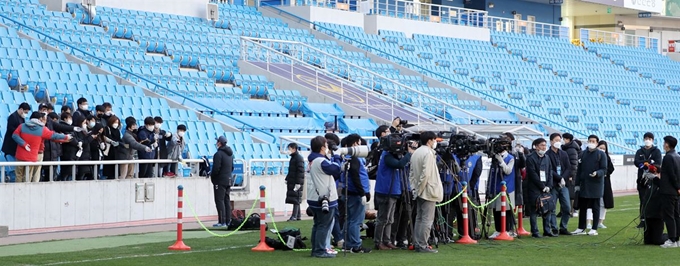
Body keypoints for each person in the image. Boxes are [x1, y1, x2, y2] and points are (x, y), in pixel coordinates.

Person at [307, 136, 342, 258]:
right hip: (324, 198)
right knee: (324, 225)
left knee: (318, 224)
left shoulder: (313, 160)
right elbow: (336, 169)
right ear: (322, 147)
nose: (328, 148)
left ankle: (316, 248)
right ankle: (319, 250)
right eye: (326, 146)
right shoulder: (320, 161)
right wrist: (337, 156)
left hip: (314, 197)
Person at [374, 138, 413, 250]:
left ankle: (387, 240)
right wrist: (408, 154)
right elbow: (400, 164)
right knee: (383, 218)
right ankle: (379, 241)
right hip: (386, 191)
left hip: (393, 190)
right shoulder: (387, 156)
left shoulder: (390, 155)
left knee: (390, 218)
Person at [12, 112, 71, 182]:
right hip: (32, 156)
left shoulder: (22, 126)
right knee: (28, 176)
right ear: (39, 119)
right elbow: (54, 135)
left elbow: (14, 135)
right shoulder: (42, 129)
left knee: (18, 175)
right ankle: (26, 191)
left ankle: (17, 191)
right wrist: (65, 136)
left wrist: (23, 144)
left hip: (20, 155)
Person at [338, 134, 372, 253]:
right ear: (354, 144)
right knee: (356, 220)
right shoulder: (353, 158)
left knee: (350, 219)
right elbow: (356, 177)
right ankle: (356, 245)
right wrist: (362, 193)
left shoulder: (347, 158)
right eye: (358, 143)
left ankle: (348, 244)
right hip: (355, 193)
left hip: (349, 192)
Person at [409, 131, 442, 253]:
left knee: (420, 218)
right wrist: (420, 189)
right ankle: (422, 244)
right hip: (427, 190)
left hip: (419, 189)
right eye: (434, 140)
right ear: (429, 140)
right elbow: (426, 174)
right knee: (427, 219)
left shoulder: (416, 152)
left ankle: (418, 243)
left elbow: (411, 174)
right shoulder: (427, 153)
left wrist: (415, 188)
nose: (435, 142)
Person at [572, 135, 608, 236]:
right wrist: (577, 184)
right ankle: (581, 227)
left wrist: (597, 173)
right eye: (590, 141)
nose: (591, 143)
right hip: (584, 185)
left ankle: (594, 228)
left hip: (596, 185)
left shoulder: (601, 154)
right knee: (582, 207)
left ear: (597, 143)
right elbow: (579, 170)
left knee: (595, 207)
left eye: (593, 141)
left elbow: (604, 169)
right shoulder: (583, 154)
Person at [487, 136, 516, 239]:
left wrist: (501, 161)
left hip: (507, 188)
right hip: (495, 187)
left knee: (506, 210)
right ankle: (498, 229)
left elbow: (508, 170)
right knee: (496, 210)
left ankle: (507, 229)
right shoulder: (494, 158)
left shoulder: (510, 157)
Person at [655, 136, 680, 248]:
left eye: (664, 142)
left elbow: (670, 174)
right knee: (676, 215)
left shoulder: (668, 157)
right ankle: (677, 238)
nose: (663, 144)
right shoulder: (677, 156)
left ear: (667, 144)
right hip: (674, 191)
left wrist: (655, 179)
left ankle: (672, 239)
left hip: (668, 191)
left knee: (669, 216)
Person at [526, 138, 553, 238]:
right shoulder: (530, 158)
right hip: (535, 188)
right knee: (534, 210)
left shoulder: (547, 157)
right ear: (536, 146)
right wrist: (542, 186)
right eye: (542, 145)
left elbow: (550, 172)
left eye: (545, 145)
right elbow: (533, 174)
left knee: (547, 209)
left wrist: (549, 186)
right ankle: (535, 232)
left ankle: (547, 230)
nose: (544, 147)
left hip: (546, 188)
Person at [634, 132, 662, 228]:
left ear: (652, 140)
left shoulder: (656, 151)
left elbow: (658, 162)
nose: (647, 140)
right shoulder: (639, 151)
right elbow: (636, 161)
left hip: (653, 179)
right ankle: (642, 219)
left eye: (649, 139)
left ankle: (651, 219)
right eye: (646, 138)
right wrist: (645, 163)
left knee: (652, 199)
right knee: (642, 199)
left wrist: (648, 164)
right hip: (642, 179)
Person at [547, 133, 572, 236]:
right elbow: (550, 170)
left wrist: (563, 178)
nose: (558, 142)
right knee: (552, 208)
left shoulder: (564, 154)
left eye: (559, 140)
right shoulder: (547, 155)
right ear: (551, 141)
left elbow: (568, 167)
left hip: (563, 185)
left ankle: (563, 227)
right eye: (556, 140)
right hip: (553, 184)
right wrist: (559, 178)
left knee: (567, 207)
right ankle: (554, 228)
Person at [586, 141, 615, 229]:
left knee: (603, 203)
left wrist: (604, 173)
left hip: (605, 183)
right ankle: (588, 222)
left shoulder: (607, 158)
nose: (602, 150)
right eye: (600, 148)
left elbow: (610, 168)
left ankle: (600, 221)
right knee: (591, 203)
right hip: (593, 182)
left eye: (604, 148)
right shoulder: (592, 157)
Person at [2, 102, 31, 181]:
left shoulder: (22, 118)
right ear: (21, 109)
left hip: (17, 146)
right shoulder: (13, 117)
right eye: (25, 112)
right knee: (13, 169)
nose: (26, 114)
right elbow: (10, 129)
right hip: (10, 146)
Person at [211, 136, 234, 228]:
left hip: (220, 180)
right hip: (228, 179)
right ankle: (228, 220)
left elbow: (216, 169)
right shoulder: (230, 154)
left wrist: (213, 177)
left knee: (219, 200)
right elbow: (232, 167)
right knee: (226, 200)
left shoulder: (218, 154)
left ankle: (222, 221)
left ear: (219, 143)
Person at [561, 133, 581, 218]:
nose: (562, 140)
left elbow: (573, 164)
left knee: (570, 193)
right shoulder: (567, 148)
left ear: (567, 139)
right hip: (566, 174)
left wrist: (571, 175)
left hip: (570, 175)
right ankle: (565, 211)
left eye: (563, 139)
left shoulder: (571, 150)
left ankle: (570, 211)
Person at [285, 143, 305, 221]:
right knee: (296, 198)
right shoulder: (294, 158)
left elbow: (300, 171)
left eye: (289, 149)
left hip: (296, 181)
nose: (288, 151)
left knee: (296, 198)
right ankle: (298, 215)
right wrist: (287, 178)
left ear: (294, 148)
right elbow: (291, 170)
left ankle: (294, 216)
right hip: (293, 181)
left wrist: (298, 183)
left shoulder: (298, 158)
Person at [56, 112, 78, 181]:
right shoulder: (63, 127)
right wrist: (77, 143)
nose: (71, 120)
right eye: (69, 118)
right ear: (65, 119)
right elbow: (71, 138)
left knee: (70, 171)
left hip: (71, 152)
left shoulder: (70, 127)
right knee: (66, 171)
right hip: (67, 152)